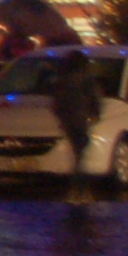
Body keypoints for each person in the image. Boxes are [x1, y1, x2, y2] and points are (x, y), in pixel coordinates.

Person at [49, 48, 104, 206]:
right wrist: (95, 114)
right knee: (80, 156)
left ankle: (78, 190)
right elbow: (95, 98)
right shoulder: (87, 80)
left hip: (68, 120)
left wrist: (61, 116)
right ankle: (80, 190)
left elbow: (56, 103)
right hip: (80, 120)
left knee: (77, 155)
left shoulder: (62, 81)